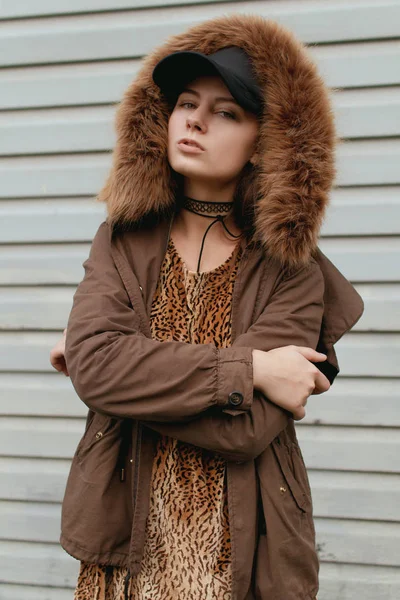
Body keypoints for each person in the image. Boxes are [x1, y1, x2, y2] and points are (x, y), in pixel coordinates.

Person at [50, 14, 364, 600]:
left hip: (243, 550)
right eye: (186, 103)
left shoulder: (291, 269)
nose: (194, 119)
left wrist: (128, 373)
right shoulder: (121, 240)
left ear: (261, 144)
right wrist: (255, 370)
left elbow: (245, 429)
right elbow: (97, 367)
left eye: (226, 112)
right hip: (126, 550)